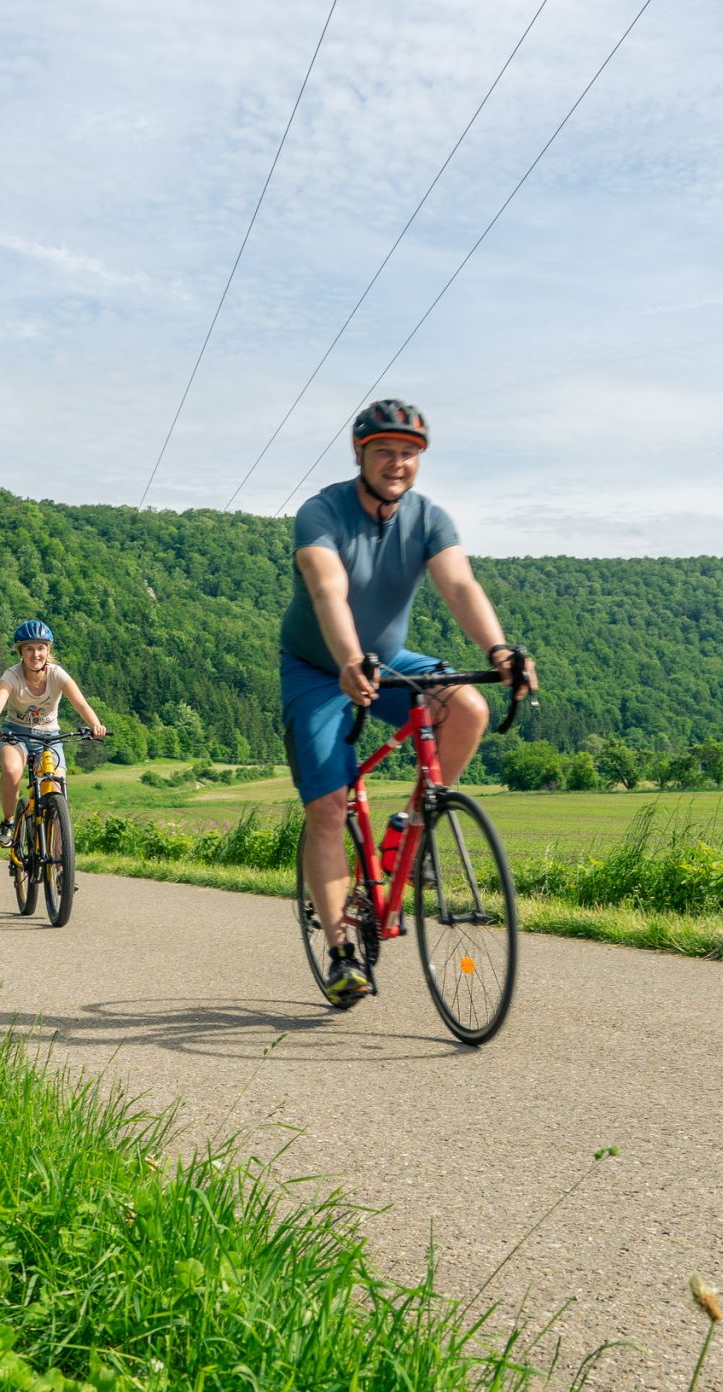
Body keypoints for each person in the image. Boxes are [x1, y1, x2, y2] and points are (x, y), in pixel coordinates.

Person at [283, 399, 534, 1005]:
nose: (397, 463)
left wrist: (500, 650)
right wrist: (347, 658)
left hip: (392, 661)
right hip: (320, 667)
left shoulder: (428, 518)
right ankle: (343, 949)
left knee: (467, 707)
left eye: (409, 453)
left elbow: (459, 584)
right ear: (360, 454)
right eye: (384, 451)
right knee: (327, 807)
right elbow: (328, 589)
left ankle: (412, 828)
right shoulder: (322, 513)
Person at [0, 620, 107, 844]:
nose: (35, 654)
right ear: (20, 652)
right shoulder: (12, 675)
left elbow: (81, 704)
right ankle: (8, 822)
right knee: (11, 770)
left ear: (48, 650)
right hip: (15, 734)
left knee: (56, 785)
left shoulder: (57, 675)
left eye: (40, 648)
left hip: (49, 736)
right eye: (29, 648)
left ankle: (60, 870)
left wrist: (96, 724)